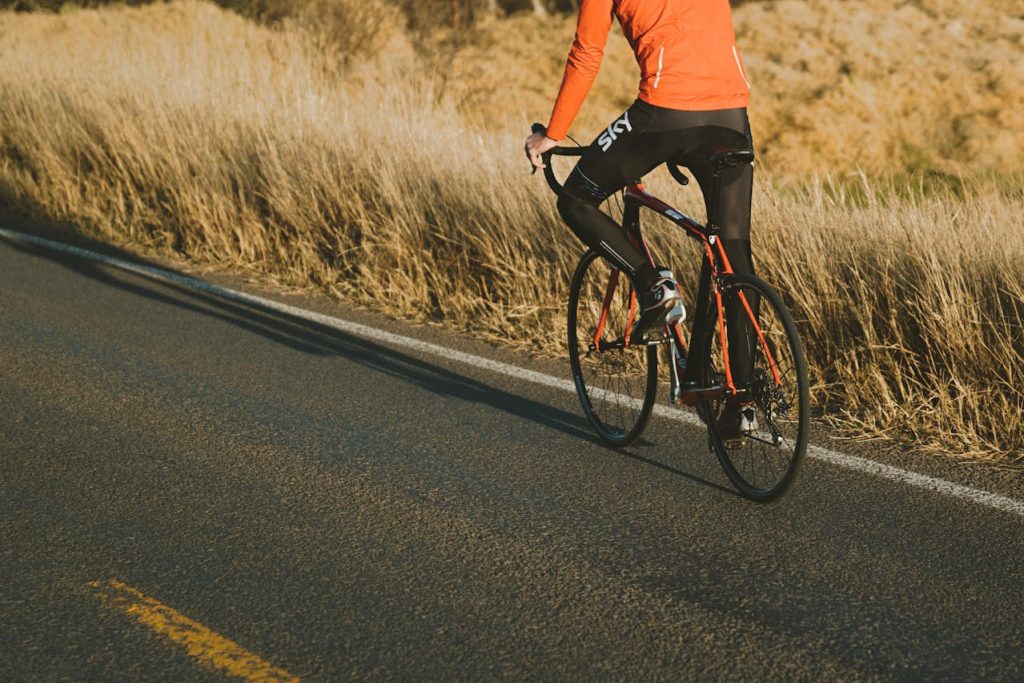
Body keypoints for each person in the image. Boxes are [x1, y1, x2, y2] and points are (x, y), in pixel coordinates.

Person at [525, 0, 758, 446]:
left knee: (576, 199)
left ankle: (653, 284)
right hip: (732, 112)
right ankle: (742, 399)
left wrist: (553, 133)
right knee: (733, 249)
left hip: (664, 111)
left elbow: (587, 52)